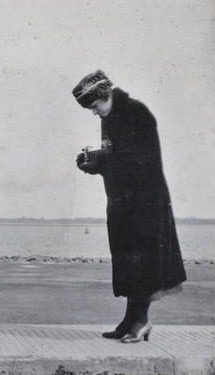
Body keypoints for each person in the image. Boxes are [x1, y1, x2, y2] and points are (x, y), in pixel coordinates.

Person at [72, 70, 186, 343]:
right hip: (123, 202)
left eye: (94, 105)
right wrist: (91, 163)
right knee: (127, 263)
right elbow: (116, 157)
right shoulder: (111, 116)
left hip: (146, 203)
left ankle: (142, 322)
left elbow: (138, 162)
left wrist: (99, 161)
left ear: (106, 95)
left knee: (143, 262)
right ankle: (129, 320)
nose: (94, 112)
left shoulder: (137, 113)